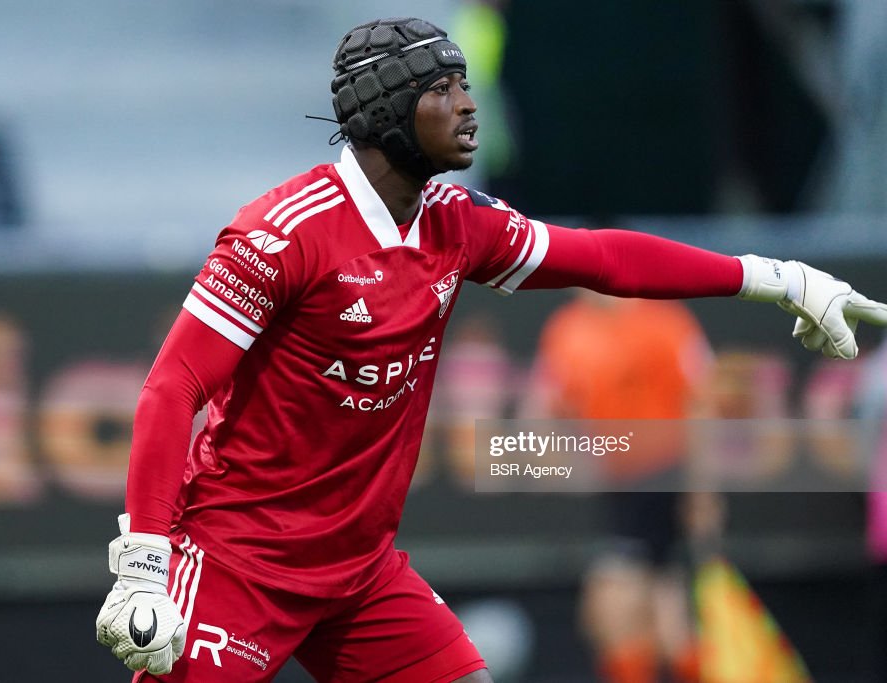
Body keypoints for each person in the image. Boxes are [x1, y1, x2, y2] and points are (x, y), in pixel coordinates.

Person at [94, 17, 887, 683]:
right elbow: (172, 388)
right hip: (240, 561)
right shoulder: (281, 235)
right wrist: (144, 563)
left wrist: (773, 276)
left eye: (465, 85)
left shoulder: (457, 223)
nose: (469, 106)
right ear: (387, 113)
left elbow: (606, 258)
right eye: (444, 91)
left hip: (360, 573)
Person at [530, 291, 711, 683]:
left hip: (660, 478)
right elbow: (550, 403)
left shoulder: (665, 322)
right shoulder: (569, 327)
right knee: (663, 606)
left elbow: (697, 405)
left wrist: (701, 492)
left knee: (616, 604)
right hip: (617, 485)